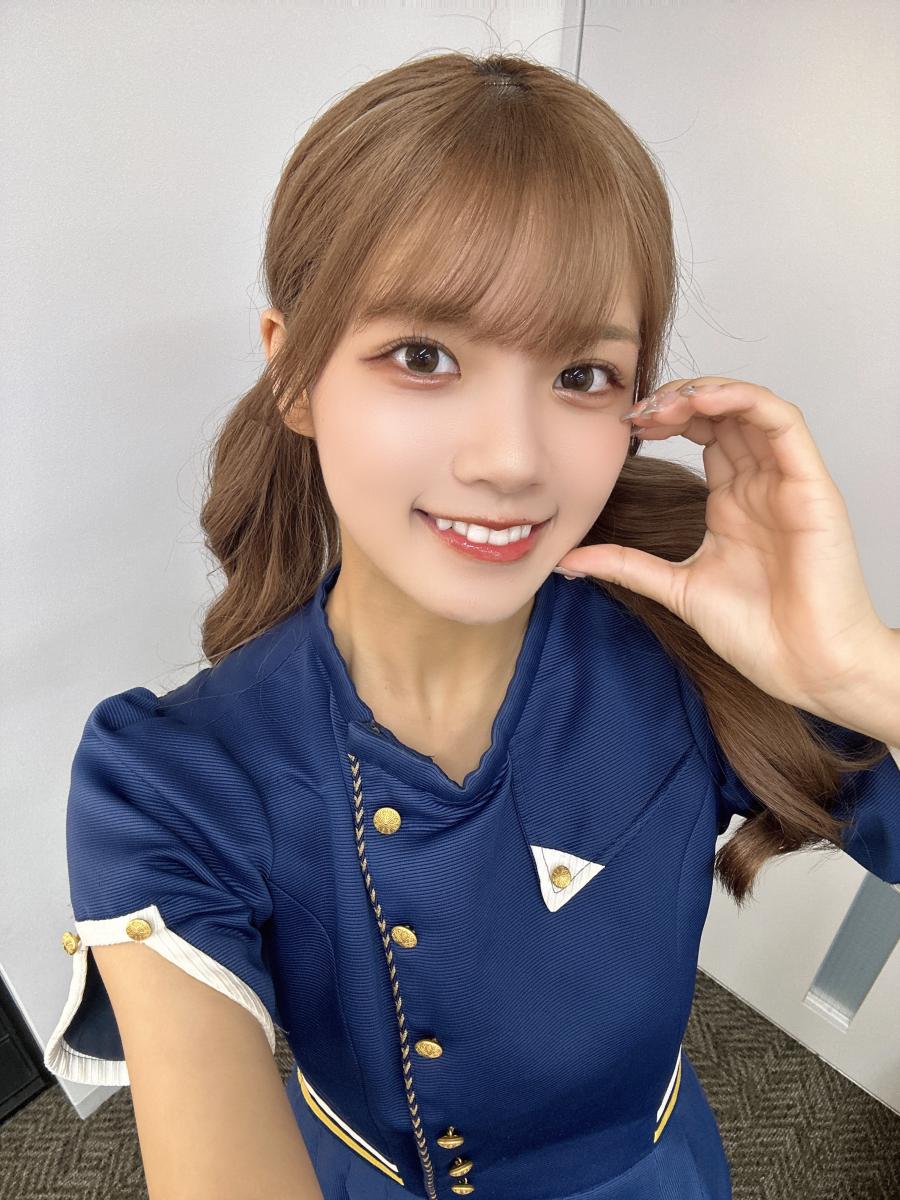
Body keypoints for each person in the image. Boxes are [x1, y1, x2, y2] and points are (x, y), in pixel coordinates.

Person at [43, 50, 900, 1200]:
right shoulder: (170, 778)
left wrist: (859, 672)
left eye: (582, 375)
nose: (510, 459)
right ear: (294, 375)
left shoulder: (684, 647)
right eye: (424, 356)